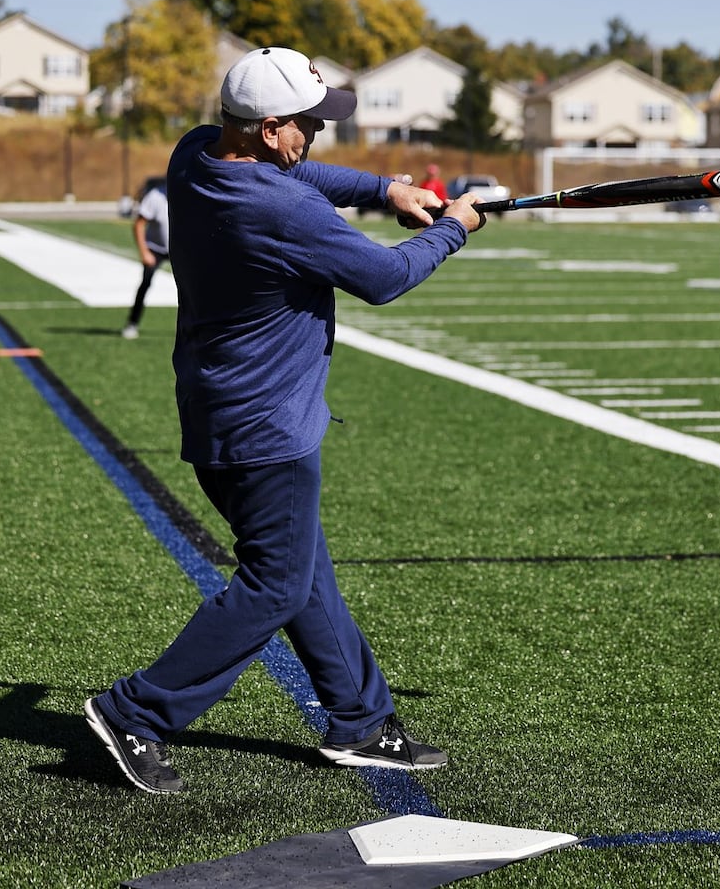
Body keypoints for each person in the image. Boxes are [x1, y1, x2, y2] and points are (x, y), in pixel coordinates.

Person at [84, 46, 484, 795]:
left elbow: (304, 173)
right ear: (269, 130)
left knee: (303, 575)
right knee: (274, 584)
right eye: (306, 125)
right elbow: (385, 277)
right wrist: (453, 225)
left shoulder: (196, 153)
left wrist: (385, 188)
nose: (314, 138)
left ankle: (361, 722)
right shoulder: (279, 207)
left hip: (220, 406)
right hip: (267, 426)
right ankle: (136, 710)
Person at [121, 177, 169, 339]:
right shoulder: (156, 196)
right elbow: (139, 224)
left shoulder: (188, 192)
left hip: (179, 249)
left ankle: (194, 329)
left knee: (190, 289)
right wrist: (144, 253)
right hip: (155, 248)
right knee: (145, 284)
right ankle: (132, 323)